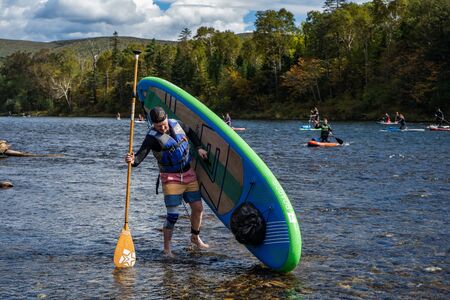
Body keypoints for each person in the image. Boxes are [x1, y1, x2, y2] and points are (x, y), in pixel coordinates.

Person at [125, 106, 209, 257]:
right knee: (173, 216)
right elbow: (139, 157)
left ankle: (195, 237)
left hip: (188, 173)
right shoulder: (151, 137)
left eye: (164, 124)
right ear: (153, 125)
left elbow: (191, 133)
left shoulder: (177, 124)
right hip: (170, 178)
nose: (163, 128)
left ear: (167, 119)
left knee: (198, 208)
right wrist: (131, 160)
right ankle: (167, 249)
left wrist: (199, 148)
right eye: (158, 126)